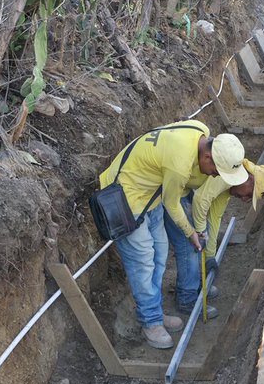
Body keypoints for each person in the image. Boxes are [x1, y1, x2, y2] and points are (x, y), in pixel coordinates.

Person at [98, 120, 248, 349]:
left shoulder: (201, 130)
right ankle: (150, 322)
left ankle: (154, 313)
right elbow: (172, 203)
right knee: (144, 264)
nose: (214, 176)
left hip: (151, 194)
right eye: (216, 171)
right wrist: (192, 232)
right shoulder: (180, 164)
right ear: (208, 157)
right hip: (125, 200)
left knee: (160, 255)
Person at [165, 160, 264, 320]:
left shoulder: (229, 188)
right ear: (250, 178)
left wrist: (210, 254)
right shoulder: (230, 172)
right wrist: (199, 232)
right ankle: (186, 299)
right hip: (173, 190)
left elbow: (214, 218)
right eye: (248, 194)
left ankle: (197, 284)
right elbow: (201, 200)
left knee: (199, 238)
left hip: (184, 189)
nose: (244, 199)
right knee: (189, 245)